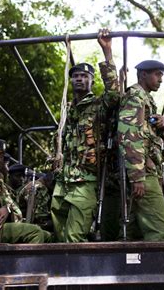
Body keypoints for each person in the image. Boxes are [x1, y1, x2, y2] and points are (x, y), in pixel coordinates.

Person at [51, 29, 119, 242]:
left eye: (85, 76)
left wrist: (107, 52)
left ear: (91, 80)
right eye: (76, 76)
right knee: (59, 232)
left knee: (74, 236)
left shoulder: (98, 106)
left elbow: (115, 94)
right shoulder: (67, 110)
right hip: (63, 180)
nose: (79, 79)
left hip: (85, 180)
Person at [118, 60, 164, 241]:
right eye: (157, 74)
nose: (160, 80)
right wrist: (138, 177)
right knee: (163, 233)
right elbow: (129, 136)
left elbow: (149, 139)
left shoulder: (146, 99)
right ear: (143, 75)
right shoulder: (136, 97)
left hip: (147, 171)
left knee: (133, 234)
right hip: (142, 174)